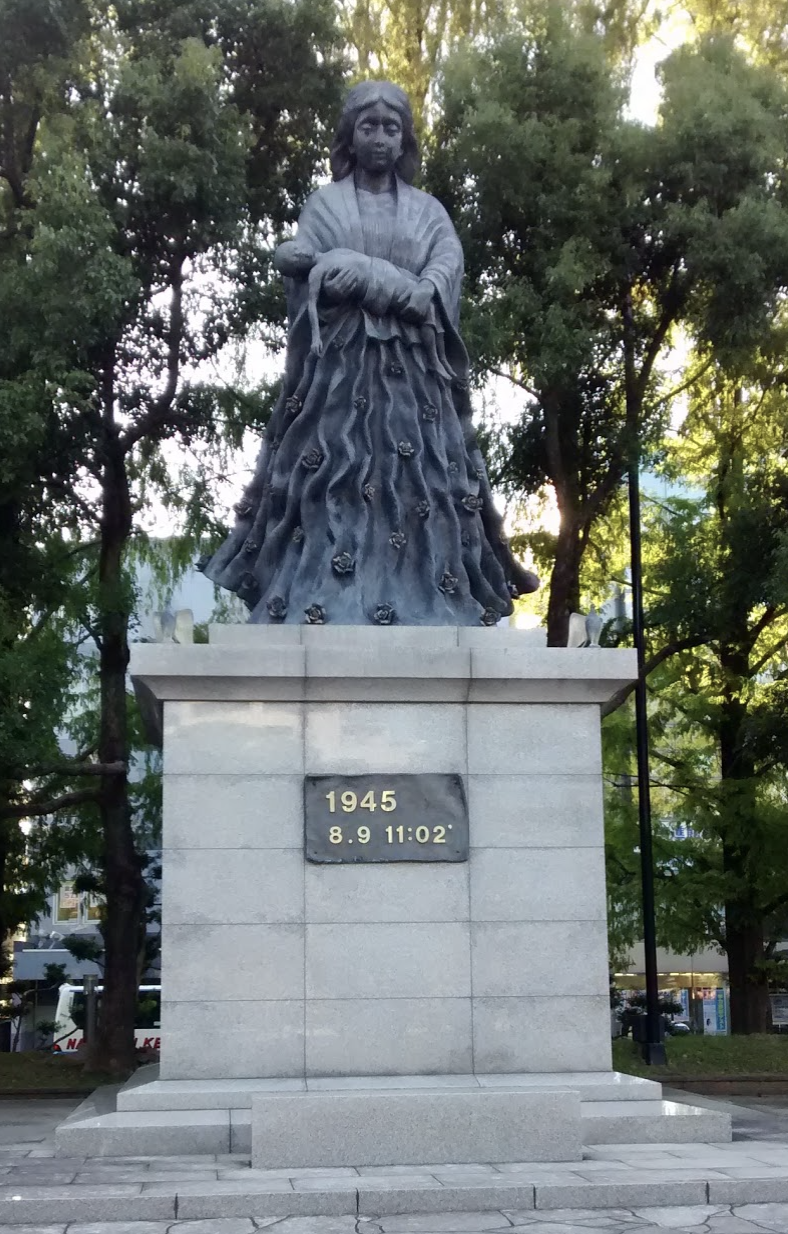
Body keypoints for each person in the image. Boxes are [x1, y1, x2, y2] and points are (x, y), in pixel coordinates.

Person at [204, 80, 538, 625]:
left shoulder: (429, 212)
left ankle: (430, 592)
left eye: (391, 127)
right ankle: (321, 591)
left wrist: (405, 287)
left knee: (421, 483)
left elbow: (444, 269)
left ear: (403, 138)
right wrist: (321, 270)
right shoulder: (324, 204)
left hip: (414, 377)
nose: (380, 138)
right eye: (368, 127)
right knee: (330, 479)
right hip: (339, 375)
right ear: (349, 137)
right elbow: (309, 274)